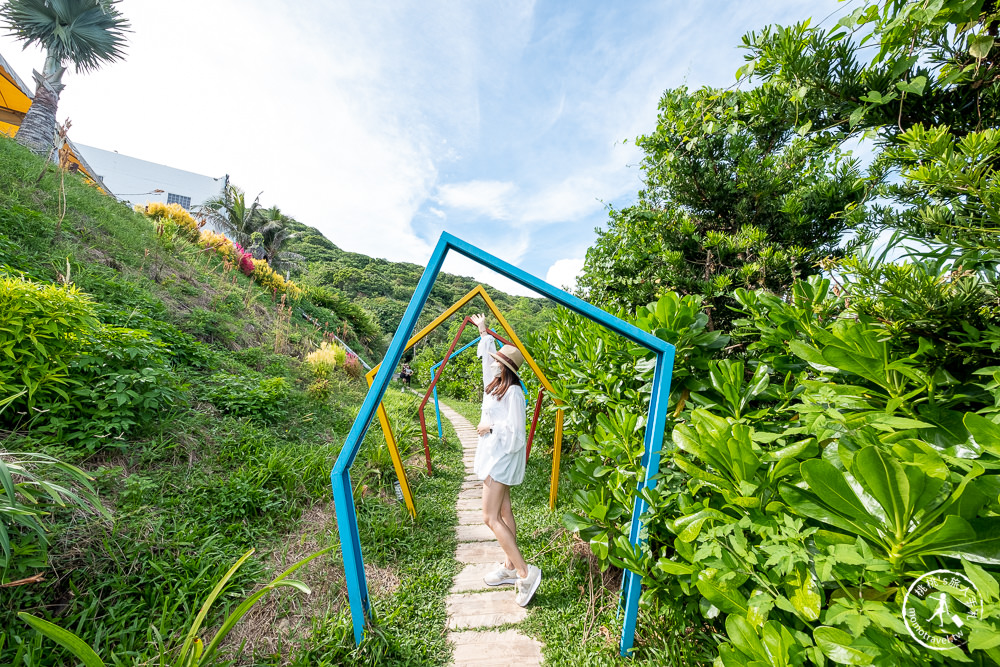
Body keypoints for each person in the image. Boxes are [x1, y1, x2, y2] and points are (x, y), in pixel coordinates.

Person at [470, 313, 541, 607]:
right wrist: (484, 330)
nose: (494, 363)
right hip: (495, 454)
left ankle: (526, 572)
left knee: (489, 516)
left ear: (508, 368)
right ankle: (510, 568)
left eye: (499, 361)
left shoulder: (513, 393)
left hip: (501, 458)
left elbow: (515, 434)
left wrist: (491, 427)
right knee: (504, 511)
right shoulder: (496, 383)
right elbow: (486, 361)